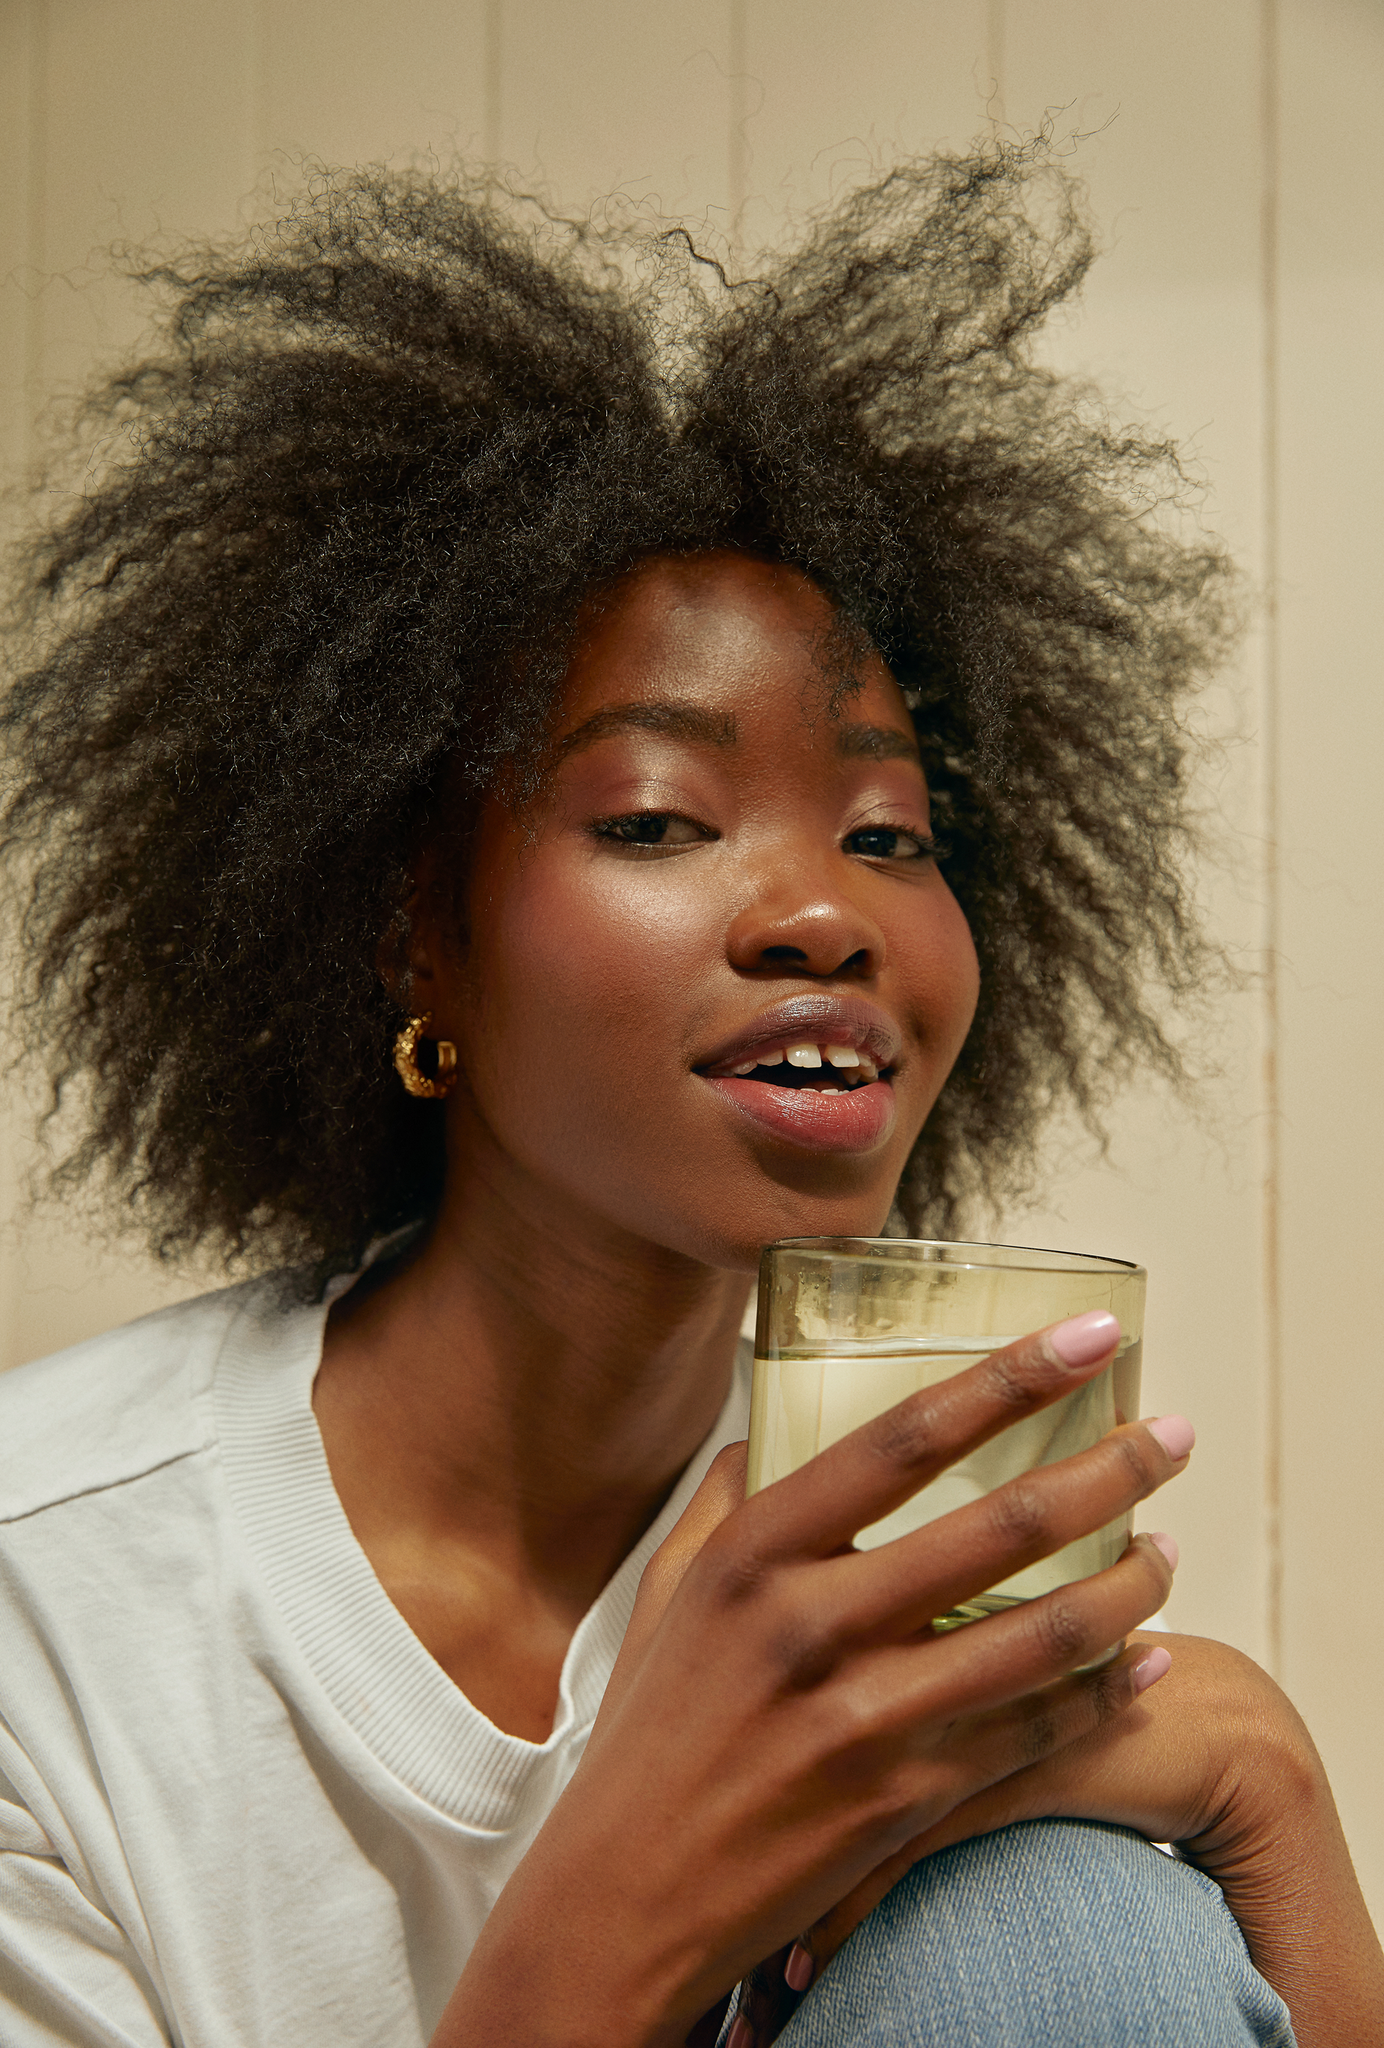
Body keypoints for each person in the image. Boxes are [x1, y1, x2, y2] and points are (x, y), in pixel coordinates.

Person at [0, 143, 1379, 2048]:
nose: (827, 909)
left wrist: (1275, 1807)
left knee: (1065, 1915)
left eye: (892, 832)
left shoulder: (892, 1531)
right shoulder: (42, 1608)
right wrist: (631, 1884)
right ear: (422, 935)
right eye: (657, 816)